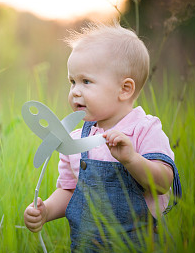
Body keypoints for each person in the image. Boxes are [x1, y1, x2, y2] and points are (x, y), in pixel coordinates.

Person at [23, 21, 182, 252]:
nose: (75, 91)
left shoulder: (144, 129)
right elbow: (69, 191)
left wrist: (131, 159)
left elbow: (163, 182)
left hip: (137, 245)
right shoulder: (74, 140)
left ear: (124, 89)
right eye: (72, 81)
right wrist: (46, 210)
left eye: (86, 81)